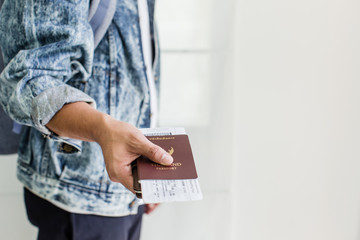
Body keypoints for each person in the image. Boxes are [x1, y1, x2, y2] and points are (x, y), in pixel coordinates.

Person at [0, 0, 172, 239]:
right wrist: (104, 130)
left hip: (124, 192)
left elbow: (133, 68)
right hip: (76, 188)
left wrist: (147, 168)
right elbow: (32, 79)